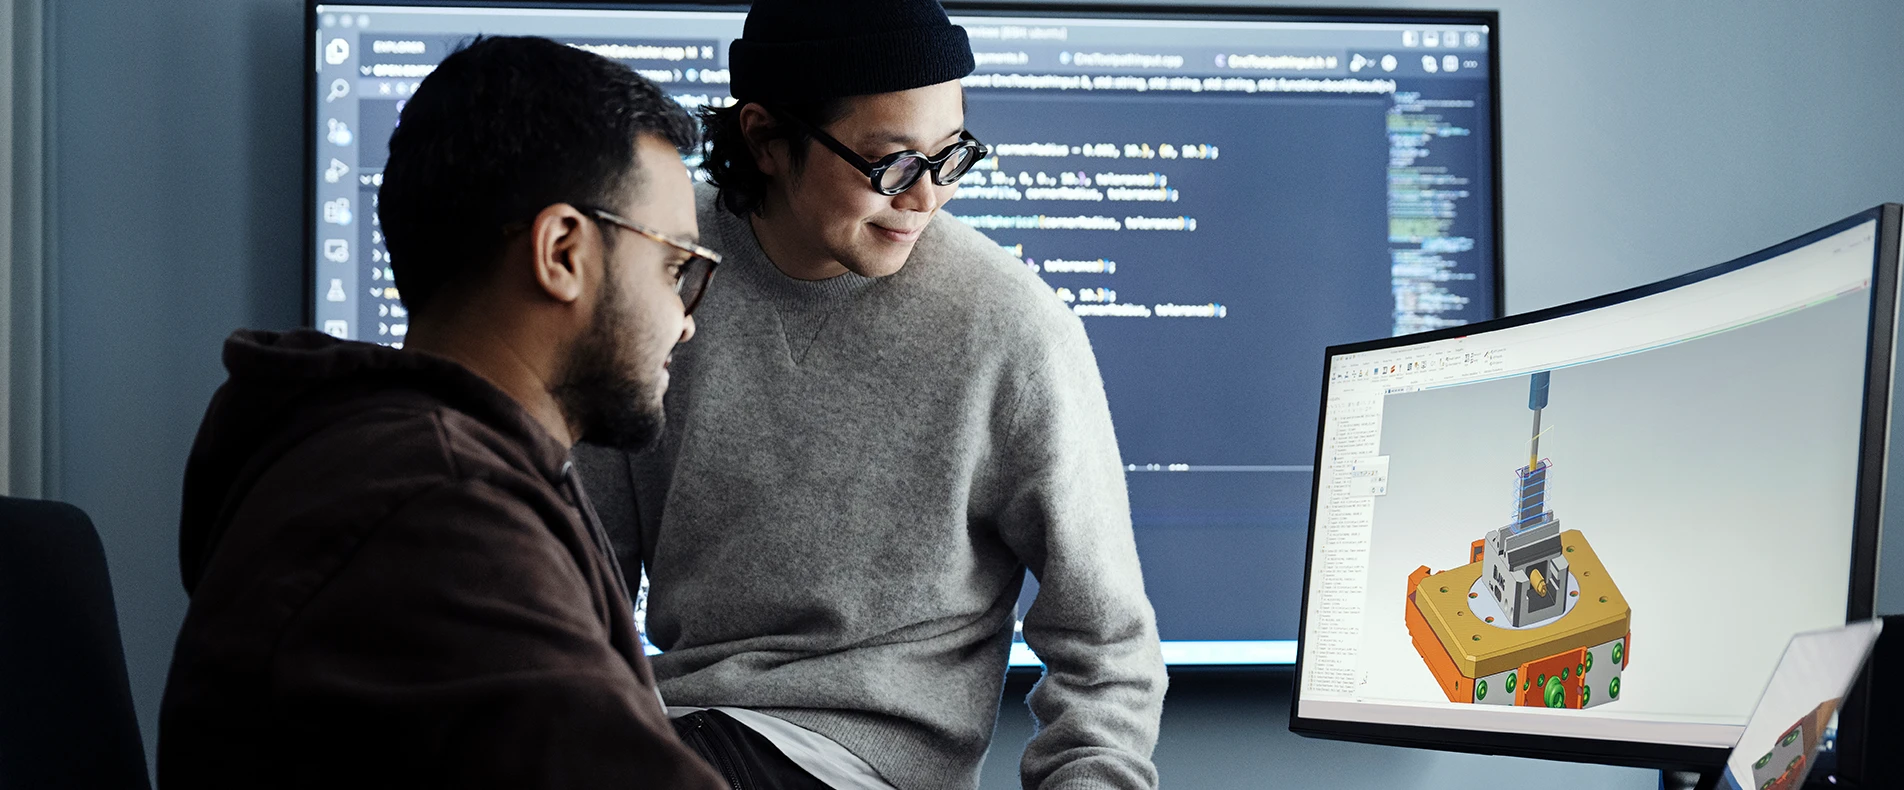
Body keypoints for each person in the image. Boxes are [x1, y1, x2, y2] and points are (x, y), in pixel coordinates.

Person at [575, 1, 1168, 787]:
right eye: (892, 165)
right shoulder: (661, 270)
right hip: (674, 730)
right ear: (765, 138)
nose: (927, 198)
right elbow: (578, 585)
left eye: (951, 157)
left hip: (858, 762)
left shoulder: (1011, 327)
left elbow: (1109, 649)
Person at [158, 36, 726, 789]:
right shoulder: (437, 509)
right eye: (675, 267)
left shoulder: (407, 466)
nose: (685, 322)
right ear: (562, 251)